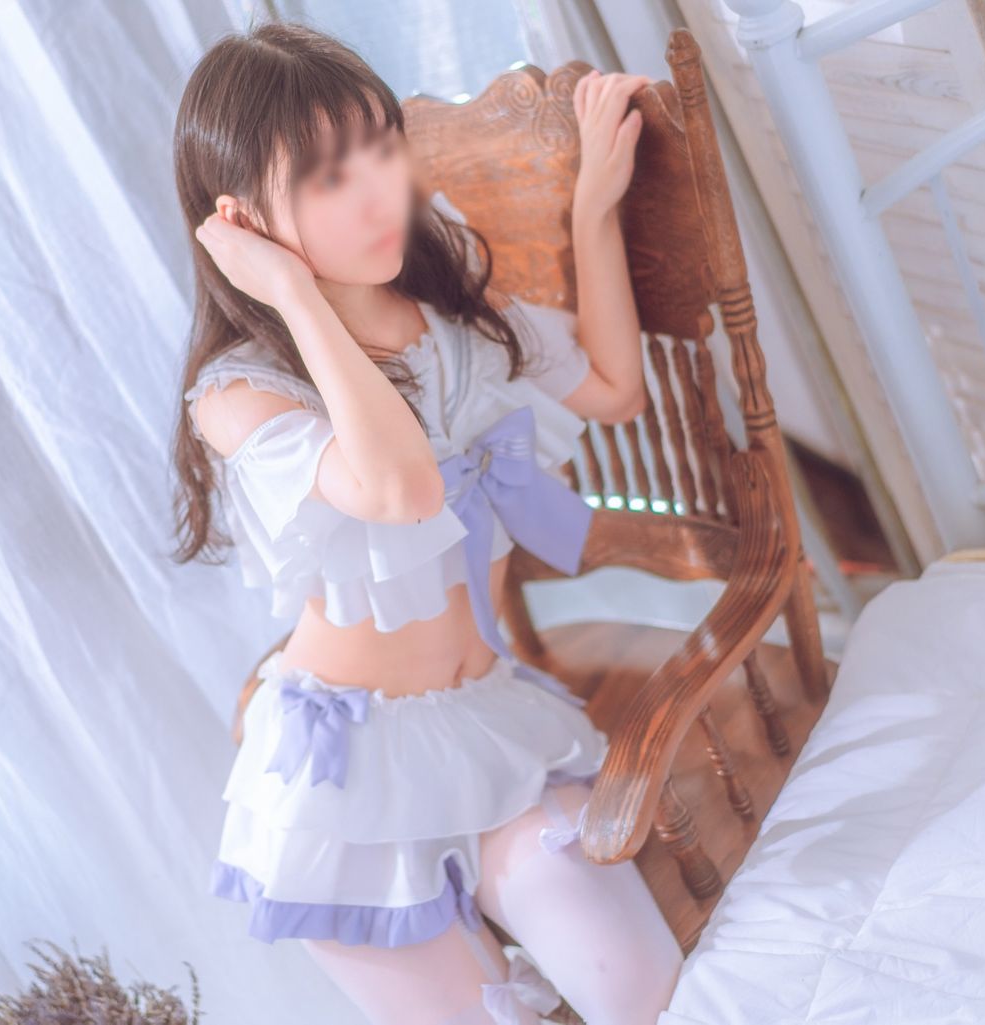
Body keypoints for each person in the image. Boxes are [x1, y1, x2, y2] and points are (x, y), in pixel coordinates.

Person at [168, 20, 683, 1025]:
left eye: (381, 146)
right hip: (340, 785)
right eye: (329, 176)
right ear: (241, 222)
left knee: (641, 996)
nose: (379, 192)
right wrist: (290, 291)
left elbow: (615, 388)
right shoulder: (238, 396)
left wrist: (592, 209)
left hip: (487, 723)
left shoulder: (452, 322)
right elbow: (400, 488)